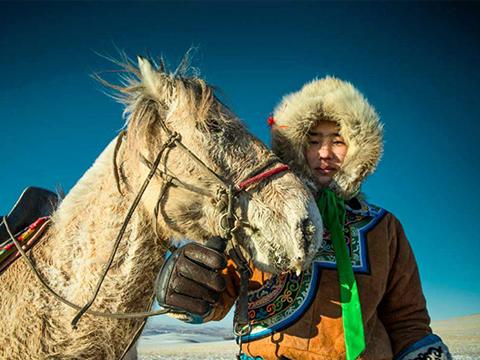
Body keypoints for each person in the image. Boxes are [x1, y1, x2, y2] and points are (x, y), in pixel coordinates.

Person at [157, 76, 451, 360]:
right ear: (295, 147)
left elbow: (407, 321)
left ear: (360, 148)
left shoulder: (383, 227)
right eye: (313, 141)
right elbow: (215, 296)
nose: (325, 153)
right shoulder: (254, 216)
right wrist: (189, 287)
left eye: (338, 141)